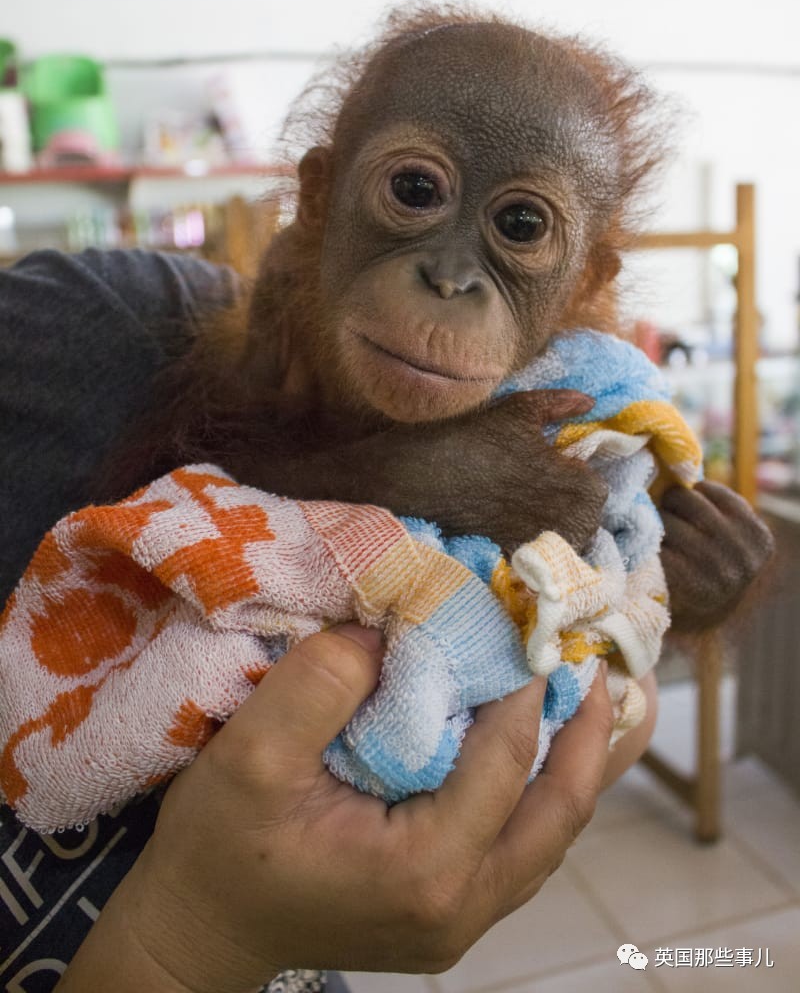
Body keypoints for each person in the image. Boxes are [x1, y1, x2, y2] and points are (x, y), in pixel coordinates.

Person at [0, 248, 769, 992]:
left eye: (522, 226)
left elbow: (599, 686)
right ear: (319, 197)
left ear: (587, 278)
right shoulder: (97, 334)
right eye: (412, 189)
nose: (450, 274)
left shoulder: (557, 392)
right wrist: (193, 939)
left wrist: (663, 593)